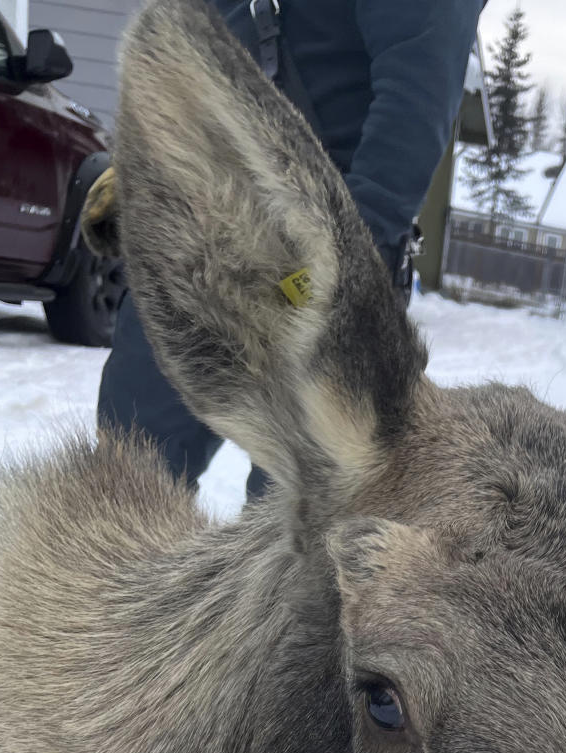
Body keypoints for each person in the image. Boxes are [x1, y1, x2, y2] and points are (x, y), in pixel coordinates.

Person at [98, 0, 483, 494]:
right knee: (130, 465)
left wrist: (346, 265)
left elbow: (415, 104)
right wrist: (144, 168)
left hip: (319, 257)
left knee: (295, 505)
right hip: (202, 232)